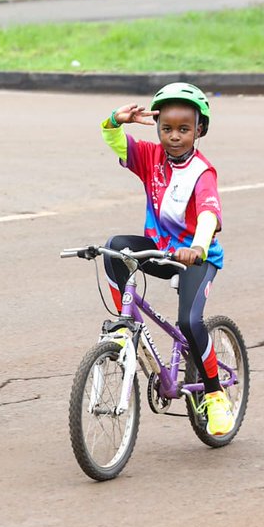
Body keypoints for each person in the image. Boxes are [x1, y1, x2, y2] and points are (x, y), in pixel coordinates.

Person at [100, 82, 234, 435]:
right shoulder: (150, 157)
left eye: (184, 129)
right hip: (161, 250)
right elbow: (115, 142)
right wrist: (115, 120)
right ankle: (124, 326)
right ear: (158, 128)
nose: (174, 137)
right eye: (167, 129)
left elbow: (209, 216)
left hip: (196, 257)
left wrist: (199, 247)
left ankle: (215, 395)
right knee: (115, 247)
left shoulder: (202, 172)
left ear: (199, 130)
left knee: (190, 324)